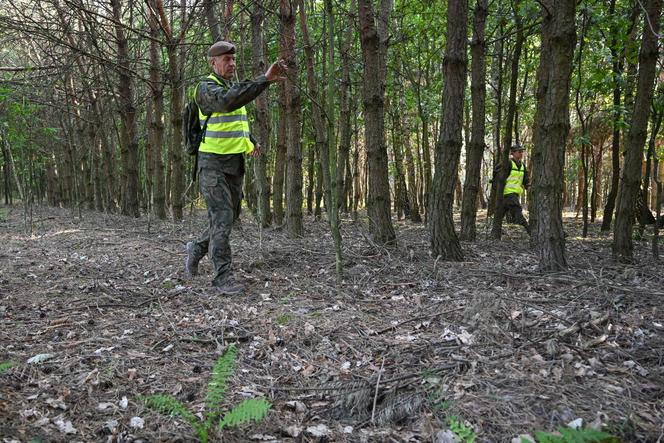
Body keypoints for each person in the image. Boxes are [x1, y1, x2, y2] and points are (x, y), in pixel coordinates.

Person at [185, 40, 286, 295]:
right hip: (211, 164)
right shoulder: (205, 89)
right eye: (226, 59)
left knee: (229, 217)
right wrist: (263, 80)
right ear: (213, 62)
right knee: (222, 218)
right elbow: (227, 103)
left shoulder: (230, 87)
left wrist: (249, 140)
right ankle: (222, 278)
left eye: (233, 59)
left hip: (234, 163)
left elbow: (232, 119)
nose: (232, 64)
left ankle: (197, 248)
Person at [502, 144, 530, 235]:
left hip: (514, 194)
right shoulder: (508, 163)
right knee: (518, 212)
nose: (521, 153)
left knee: (500, 214)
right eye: (519, 152)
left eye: (522, 152)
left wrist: (528, 187)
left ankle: (494, 234)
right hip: (507, 194)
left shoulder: (522, 166)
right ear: (513, 153)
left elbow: (526, 180)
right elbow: (499, 176)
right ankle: (530, 231)